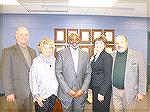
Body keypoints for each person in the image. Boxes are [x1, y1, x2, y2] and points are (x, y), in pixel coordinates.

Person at [2, 26, 36, 112]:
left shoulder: (33, 52)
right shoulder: (8, 51)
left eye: (26, 35)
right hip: (16, 92)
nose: (24, 37)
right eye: (21, 34)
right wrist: (9, 92)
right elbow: (5, 73)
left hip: (30, 92)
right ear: (16, 36)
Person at [55, 33, 92, 112]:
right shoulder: (61, 54)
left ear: (79, 41)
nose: (74, 41)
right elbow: (58, 73)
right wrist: (68, 90)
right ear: (69, 41)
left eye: (76, 39)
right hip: (66, 94)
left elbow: (88, 73)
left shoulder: (85, 55)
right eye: (72, 39)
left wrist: (82, 90)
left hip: (80, 94)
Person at [111, 35, 147, 112]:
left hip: (130, 91)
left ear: (127, 43)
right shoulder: (111, 55)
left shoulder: (137, 55)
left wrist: (141, 92)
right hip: (115, 91)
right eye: (117, 43)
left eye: (122, 42)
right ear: (114, 45)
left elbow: (142, 75)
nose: (119, 45)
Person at [29, 38, 63, 112]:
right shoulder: (36, 61)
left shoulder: (55, 61)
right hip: (42, 96)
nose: (48, 50)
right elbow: (33, 80)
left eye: (50, 47)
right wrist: (37, 96)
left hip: (55, 95)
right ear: (41, 49)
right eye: (45, 47)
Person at [89, 36, 113, 112]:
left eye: (100, 43)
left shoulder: (107, 57)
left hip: (103, 89)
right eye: (96, 43)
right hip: (95, 87)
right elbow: (92, 73)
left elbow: (107, 77)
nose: (98, 45)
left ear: (105, 45)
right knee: (95, 109)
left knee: (102, 109)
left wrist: (102, 93)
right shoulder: (94, 57)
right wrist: (90, 87)